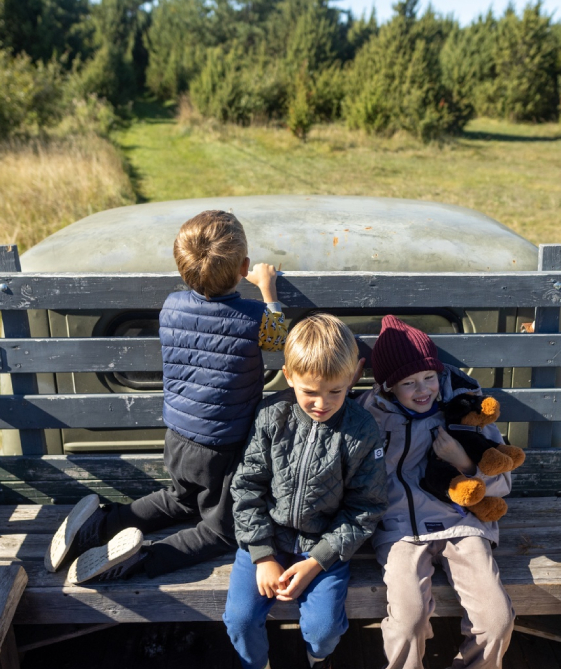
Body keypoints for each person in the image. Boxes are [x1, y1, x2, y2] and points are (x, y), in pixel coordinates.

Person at [49, 210, 288, 583]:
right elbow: (277, 340)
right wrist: (267, 288)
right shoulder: (252, 316)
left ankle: (98, 526)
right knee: (221, 530)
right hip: (221, 448)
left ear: (182, 268)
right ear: (244, 266)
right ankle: (140, 560)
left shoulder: (171, 307)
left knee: (179, 499)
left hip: (177, 437)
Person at [223, 314, 390, 668]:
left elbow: (366, 506)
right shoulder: (272, 416)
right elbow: (247, 486)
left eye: (336, 391)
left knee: (324, 626)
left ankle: (317, 659)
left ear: (353, 377)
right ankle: (257, 665)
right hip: (267, 537)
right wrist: (263, 555)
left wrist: (318, 561)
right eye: (309, 392)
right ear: (289, 377)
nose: (322, 403)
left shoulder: (362, 430)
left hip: (325, 545)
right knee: (239, 618)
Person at [359, 315, 517, 669]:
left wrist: (463, 461)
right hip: (400, 531)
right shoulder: (368, 418)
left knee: (496, 620)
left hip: (462, 526)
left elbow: (504, 483)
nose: (422, 390)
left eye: (429, 377)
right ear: (387, 388)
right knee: (409, 620)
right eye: (408, 383)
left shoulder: (466, 412)